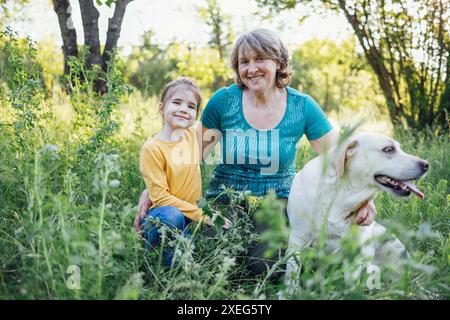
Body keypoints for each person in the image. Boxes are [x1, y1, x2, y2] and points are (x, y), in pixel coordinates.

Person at [136, 29, 376, 274]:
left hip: (277, 203)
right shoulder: (224, 101)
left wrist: (364, 199)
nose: (251, 69)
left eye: (260, 59)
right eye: (244, 62)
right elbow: (189, 155)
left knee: (266, 268)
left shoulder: (301, 106)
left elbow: (341, 154)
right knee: (214, 262)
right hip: (225, 200)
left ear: (279, 62)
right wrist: (154, 189)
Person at [138, 77, 231, 267]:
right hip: (163, 215)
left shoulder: (191, 136)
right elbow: (162, 199)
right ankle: (158, 267)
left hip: (189, 217)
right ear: (162, 108)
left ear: (196, 115)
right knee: (173, 217)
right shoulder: (152, 148)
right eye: (177, 102)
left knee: (195, 240)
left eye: (191, 106)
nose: (183, 109)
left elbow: (222, 115)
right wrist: (205, 215)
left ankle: (180, 261)